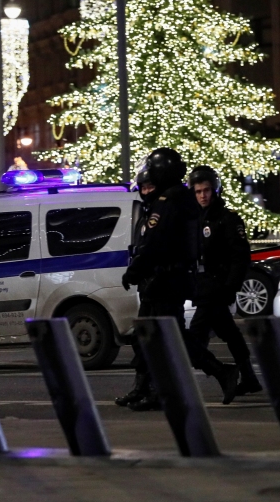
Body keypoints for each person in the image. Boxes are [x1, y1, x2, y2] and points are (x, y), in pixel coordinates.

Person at [119, 148, 238, 411]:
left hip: (166, 279)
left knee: (170, 337)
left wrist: (134, 271)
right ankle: (148, 388)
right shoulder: (176, 199)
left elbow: (154, 242)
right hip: (164, 279)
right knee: (147, 336)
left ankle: (219, 372)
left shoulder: (170, 201)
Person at [187, 165, 262, 397]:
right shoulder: (196, 219)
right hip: (204, 287)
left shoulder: (227, 219)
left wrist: (231, 287)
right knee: (229, 332)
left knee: (193, 337)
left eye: (206, 190)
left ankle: (221, 373)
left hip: (217, 288)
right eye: (198, 191)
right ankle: (249, 378)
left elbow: (241, 257)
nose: (202, 195)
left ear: (215, 190)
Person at [114, 169, 157, 407]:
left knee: (154, 341)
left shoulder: (157, 215)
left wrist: (133, 273)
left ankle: (153, 391)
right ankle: (140, 388)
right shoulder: (145, 215)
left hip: (158, 286)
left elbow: (150, 251)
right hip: (147, 287)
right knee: (142, 339)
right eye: (144, 187)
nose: (147, 191)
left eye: (150, 186)